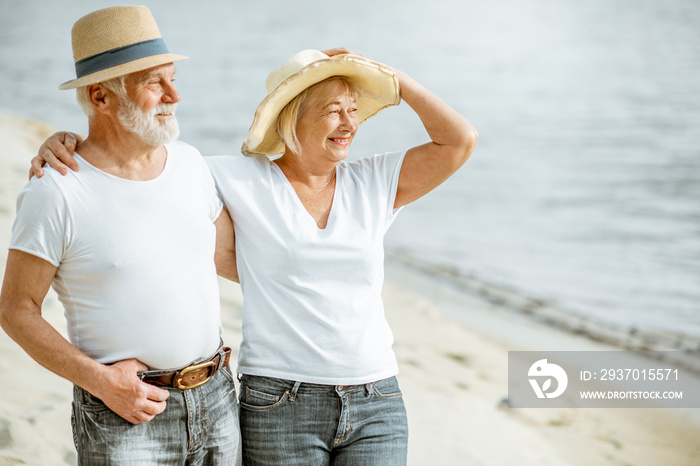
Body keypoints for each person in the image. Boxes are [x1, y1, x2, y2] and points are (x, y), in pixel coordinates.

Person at [33, 48, 478, 465]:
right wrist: (68, 142)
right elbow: (135, 161)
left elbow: (459, 140)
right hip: (281, 401)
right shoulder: (232, 177)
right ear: (292, 117)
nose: (349, 123)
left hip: (377, 400)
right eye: (333, 110)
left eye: (354, 109)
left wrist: (390, 77)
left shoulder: (375, 181)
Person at [0, 6, 241, 465]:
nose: (175, 95)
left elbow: (234, 258)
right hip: (125, 414)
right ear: (101, 97)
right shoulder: (54, 192)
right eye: (155, 83)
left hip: (217, 398)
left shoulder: (190, 163)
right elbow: (16, 310)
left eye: (172, 78)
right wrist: (103, 382)